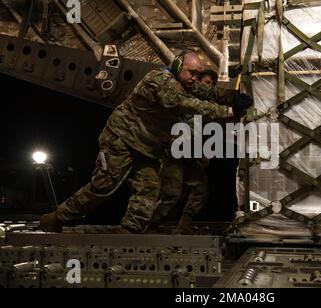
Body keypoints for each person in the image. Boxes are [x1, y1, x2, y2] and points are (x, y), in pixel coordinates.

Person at [39, 52, 252, 234]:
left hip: (144, 147)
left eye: (197, 74)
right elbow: (188, 104)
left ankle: (129, 232)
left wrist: (232, 96)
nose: (194, 79)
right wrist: (229, 111)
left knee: (149, 188)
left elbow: (206, 91)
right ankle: (57, 218)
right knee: (103, 187)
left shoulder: (183, 82)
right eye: (192, 73)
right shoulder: (160, 81)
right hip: (121, 140)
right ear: (177, 66)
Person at [150, 68, 221, 234]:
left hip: (188, 156)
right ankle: (149, 224)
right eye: (207, 83)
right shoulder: (185, 98)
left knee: (200, 189)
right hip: (173, 155)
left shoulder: (205, 106)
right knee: (172, 196)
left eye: (212, 85)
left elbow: (199, 131)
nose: (209, 87)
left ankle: (183, 226)